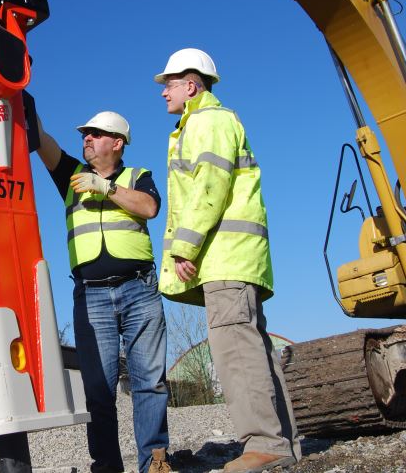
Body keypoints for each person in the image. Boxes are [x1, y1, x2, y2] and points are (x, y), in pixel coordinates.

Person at [155, 48, 299, 472]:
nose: (163, 92)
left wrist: (186, 245)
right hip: (236, 259)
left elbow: (209, 188)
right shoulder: (212, 121)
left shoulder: (207, 122)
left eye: (169, 83)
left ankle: (265, 444)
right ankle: (282, 443)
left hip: (224, 259)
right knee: (254, 349)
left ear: (192, 84)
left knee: (236, 352)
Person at [36, 109, 171, 473]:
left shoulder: (137, 176)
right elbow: (42, 141)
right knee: (98, 389)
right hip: (91, 295)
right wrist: (22, 101)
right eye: (85, 135)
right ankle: (107, 467)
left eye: (96, 134)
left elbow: (149, 207)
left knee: (150, 382)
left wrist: (106, 188)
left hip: (139, 290)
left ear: (117, 142)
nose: (87, 139)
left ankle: (155, 461)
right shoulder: (71, 175)